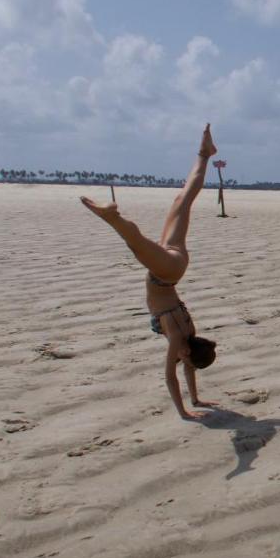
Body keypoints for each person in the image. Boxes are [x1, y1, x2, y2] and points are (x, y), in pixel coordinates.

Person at [81, 124, 219, 419]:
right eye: (185, 360)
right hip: (165, 272)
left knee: (182, 201)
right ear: (187, 354)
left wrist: (196, 399)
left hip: (176, 265)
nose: (182, 362)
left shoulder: (191, 337)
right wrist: (184, 413)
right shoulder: (179, 343)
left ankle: (203, 155)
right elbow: (171, 377)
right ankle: (113, 217)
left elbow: (190, 369)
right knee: (137, 244)